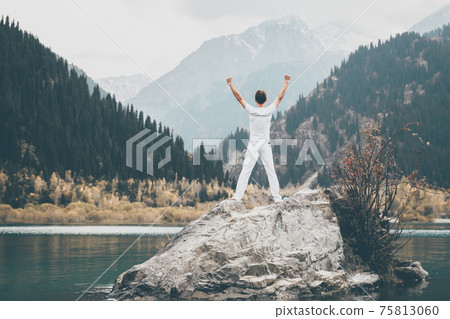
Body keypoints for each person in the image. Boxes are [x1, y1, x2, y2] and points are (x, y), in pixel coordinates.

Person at [226, 75, 290, 203]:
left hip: (253, 144)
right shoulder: (269, 110)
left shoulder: (251, 110)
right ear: (265, 100)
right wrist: (286, 82)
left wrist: (230, 84)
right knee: (270, 170)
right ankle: (277, 198)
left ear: (255, 100)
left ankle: (237, 197)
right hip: (265, 145)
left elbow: (239, 97)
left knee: (246, 171)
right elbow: (280, 96)